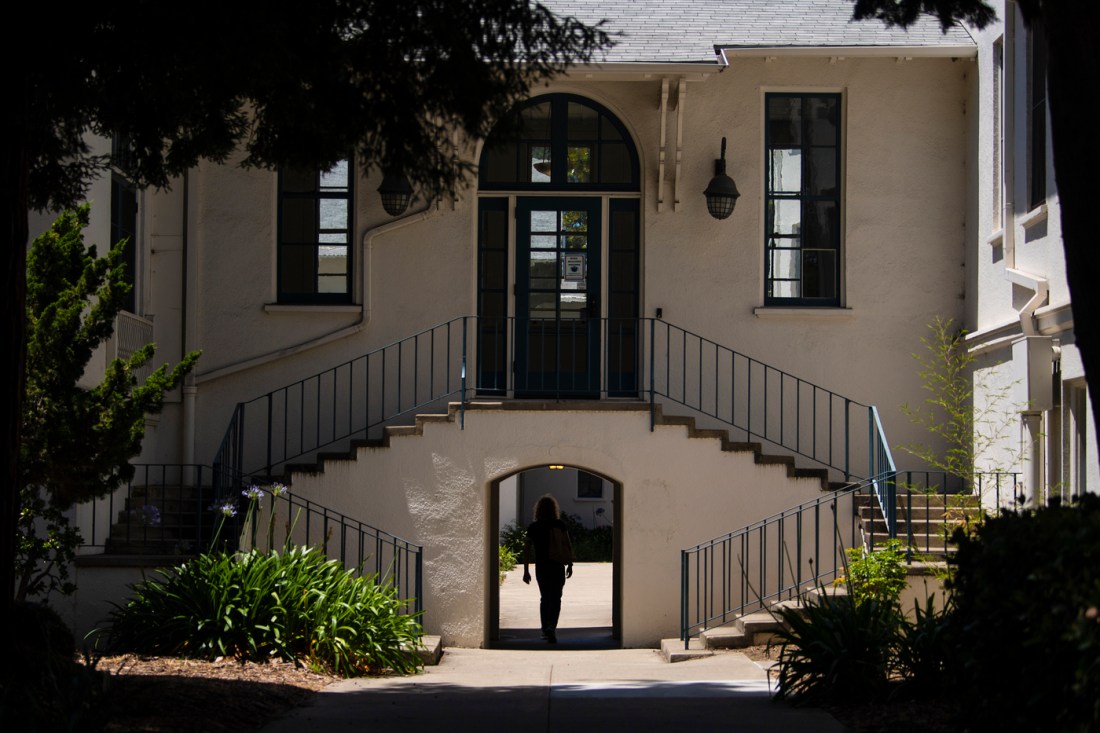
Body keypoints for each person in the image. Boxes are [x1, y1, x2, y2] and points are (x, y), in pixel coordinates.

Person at [522, 494, 574, 643]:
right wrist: (569, 564)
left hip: (542, 567)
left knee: (545, 598)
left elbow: (526, 549)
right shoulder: (560, 525)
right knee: (556, 597)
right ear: (554, 509)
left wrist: (526, 571)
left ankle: (545, 629)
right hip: (557, 566)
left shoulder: (534, 527)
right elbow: (567, 544)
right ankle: (552, 627)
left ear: (538, 510)